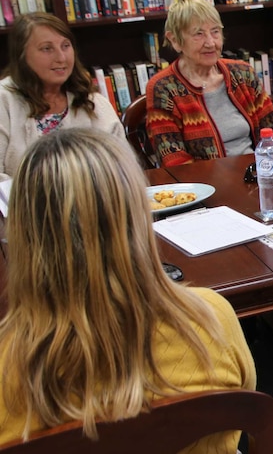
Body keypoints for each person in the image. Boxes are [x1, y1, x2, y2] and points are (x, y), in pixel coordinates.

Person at [0, 128, 255, 451]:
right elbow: (243, 411)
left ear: (23, 235)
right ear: (136, 217)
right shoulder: (211, 319)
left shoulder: (7, 365)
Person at [146, 0, 273, 167]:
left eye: (215, 31)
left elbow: (272, 130)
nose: (211, 43)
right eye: (199, 34)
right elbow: (173, 159)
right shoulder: (163, 88)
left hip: (258, 176)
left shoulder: (243, 74)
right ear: (175, 40)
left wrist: (269, 171)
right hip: (204, 187)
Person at [0, 12, 124, 181]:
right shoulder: (4, 101)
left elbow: (122, 167)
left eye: (66, 46)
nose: (61, 58)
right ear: (22, 55)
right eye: (47, 48)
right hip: (23, 205)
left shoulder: (93, 102)